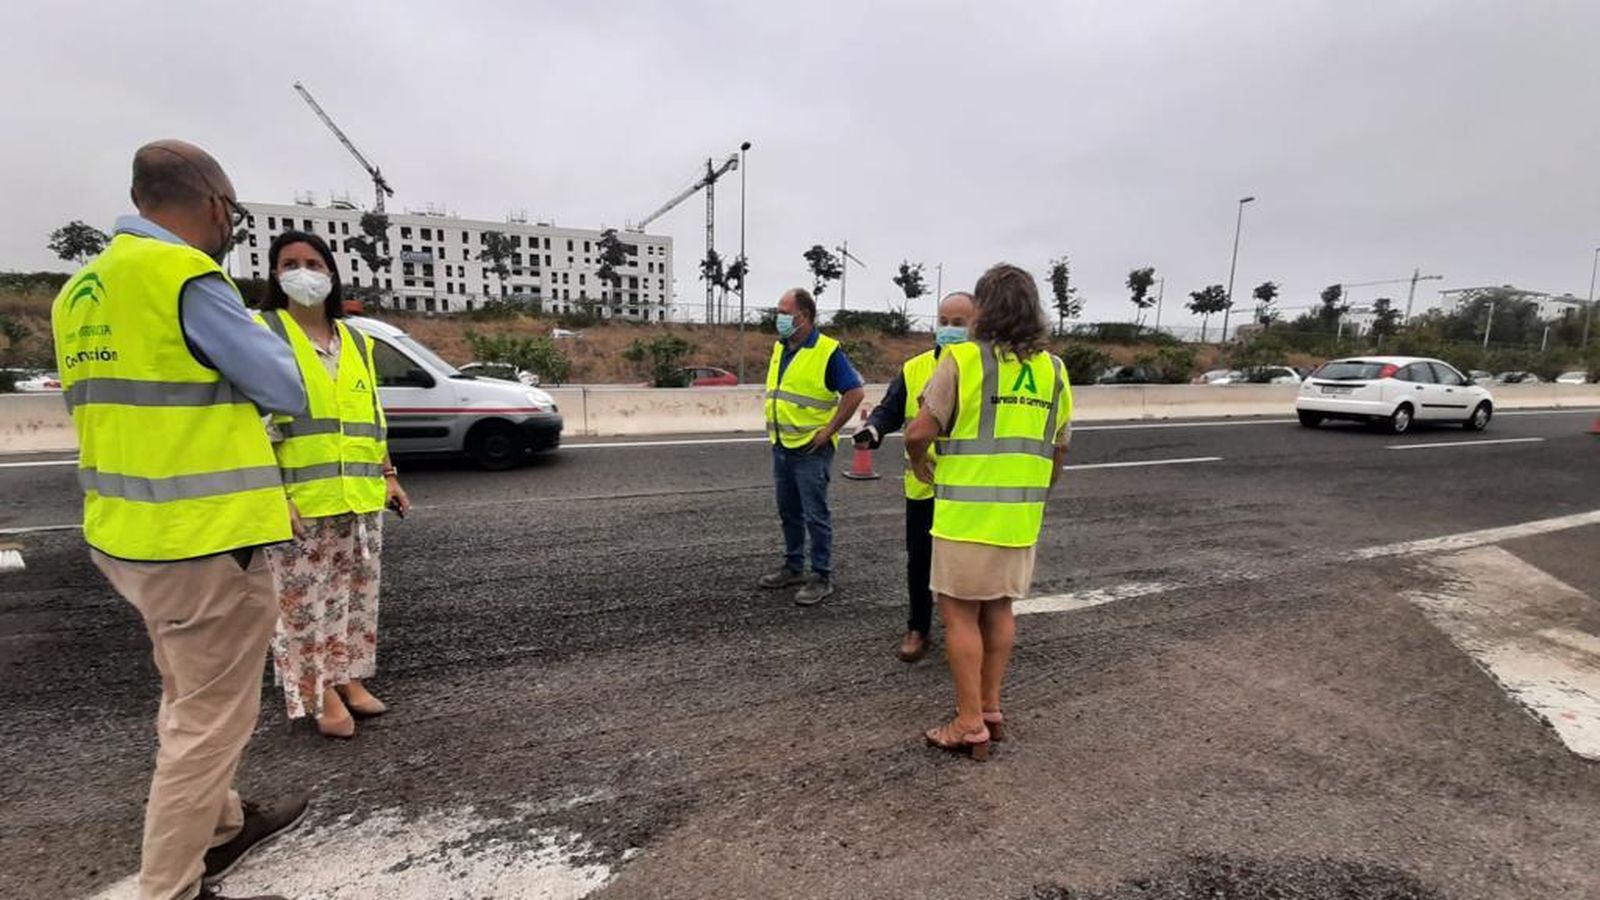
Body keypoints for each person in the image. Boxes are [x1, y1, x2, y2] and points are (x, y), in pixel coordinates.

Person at [50, 140, 310, 900]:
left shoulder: (83, 289)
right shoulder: (187, 277)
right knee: (207, 723)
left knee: (188, 692)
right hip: (203, 540)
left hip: (126, 534)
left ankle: (223, 826)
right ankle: (172, 886)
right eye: (234, 211)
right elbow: (285, 386)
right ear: (214, 204)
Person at [905, 264, 1072, 761]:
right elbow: (1059, 448)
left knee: (958, 616)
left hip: (965, 515)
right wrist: (1037, 490)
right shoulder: (1054, 371)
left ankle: (968, 722)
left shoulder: (963, 360)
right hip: (1020, 516)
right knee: (1000, 609)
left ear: (983, 310)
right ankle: (992, 709)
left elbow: (918, 432)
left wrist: (922, 464)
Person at [255, 230, 410, 739]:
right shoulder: (262, 333)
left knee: (354, 597)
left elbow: (370, 416)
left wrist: (388, 476)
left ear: (331, 272)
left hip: (358, 494)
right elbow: (253, 426)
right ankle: (318, 693)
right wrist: (273, 495)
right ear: (275, 275)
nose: (304, 271)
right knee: (303, 606)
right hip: (301, 498)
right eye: (290, 263)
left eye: (314, 262)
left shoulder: (358, 340)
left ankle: (347, 679)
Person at [855, 292, 977, 662]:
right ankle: (918, 628)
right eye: (944, 322)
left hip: (970, 487)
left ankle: (974, 632)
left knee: (969, 563)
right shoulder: (915, 368)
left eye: (959, 323)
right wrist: (873, 429)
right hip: (924, 485)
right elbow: (890, 410)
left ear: (976, 326)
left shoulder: (986, 370)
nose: (949, 330)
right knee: (920, 561)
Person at [758, 288, 865, 605]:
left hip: (810, 450)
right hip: (782, 445)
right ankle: (793, 566)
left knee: (815, 514)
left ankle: (821, 575)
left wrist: (830, 430)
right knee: (788, 511)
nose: (778, 318)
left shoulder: (827, 351)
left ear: (802, 316)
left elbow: (854, 393)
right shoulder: (781, 347)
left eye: (783, 312)